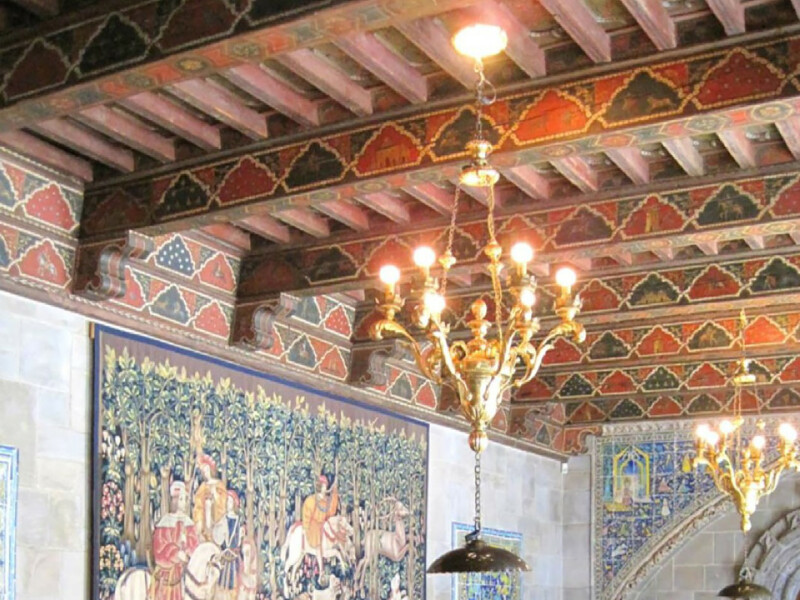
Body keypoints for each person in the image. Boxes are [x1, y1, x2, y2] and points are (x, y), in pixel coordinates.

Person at [151, 481, 198, 600]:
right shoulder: (165, 522)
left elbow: (194, 546)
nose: (184, 502)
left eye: (185, 499)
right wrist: (176, 553)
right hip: (167, 572)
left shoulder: (189, 522)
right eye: (181, 499)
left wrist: (187, 550)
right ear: (175, 500)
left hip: (186, 569)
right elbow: (159, 549)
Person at [301, 473, 339, 570]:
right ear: (320, 487)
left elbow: (331, 512)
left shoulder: (325, 501)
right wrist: (306, 527)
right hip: (313, 526)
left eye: (326, 486)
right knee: (318, 545)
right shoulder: (311, 500)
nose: (326, 488)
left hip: (322, 524)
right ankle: (321, 570)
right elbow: (306, 515)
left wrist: (335, 492)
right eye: (324, 486)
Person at [212, 490, 243, 600]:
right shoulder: (223, 519)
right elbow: (218, 537)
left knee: (234, 583)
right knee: (221, 582)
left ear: (234, 503)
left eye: (230, 501)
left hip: (234, 557)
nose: (228, 504)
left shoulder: (238, 520)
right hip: (224, 556)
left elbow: (238, 539)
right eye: (227, 501)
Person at [192, 454, 226, 542]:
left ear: (211, 469)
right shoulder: (203, 486)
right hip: (205, 515)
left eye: (206, 470)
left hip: (215, 516)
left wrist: (215, 494)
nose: (205, 473)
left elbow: (223, 502)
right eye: (203, 471)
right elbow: (198, 504)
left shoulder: (219, 484)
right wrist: (199, 520)